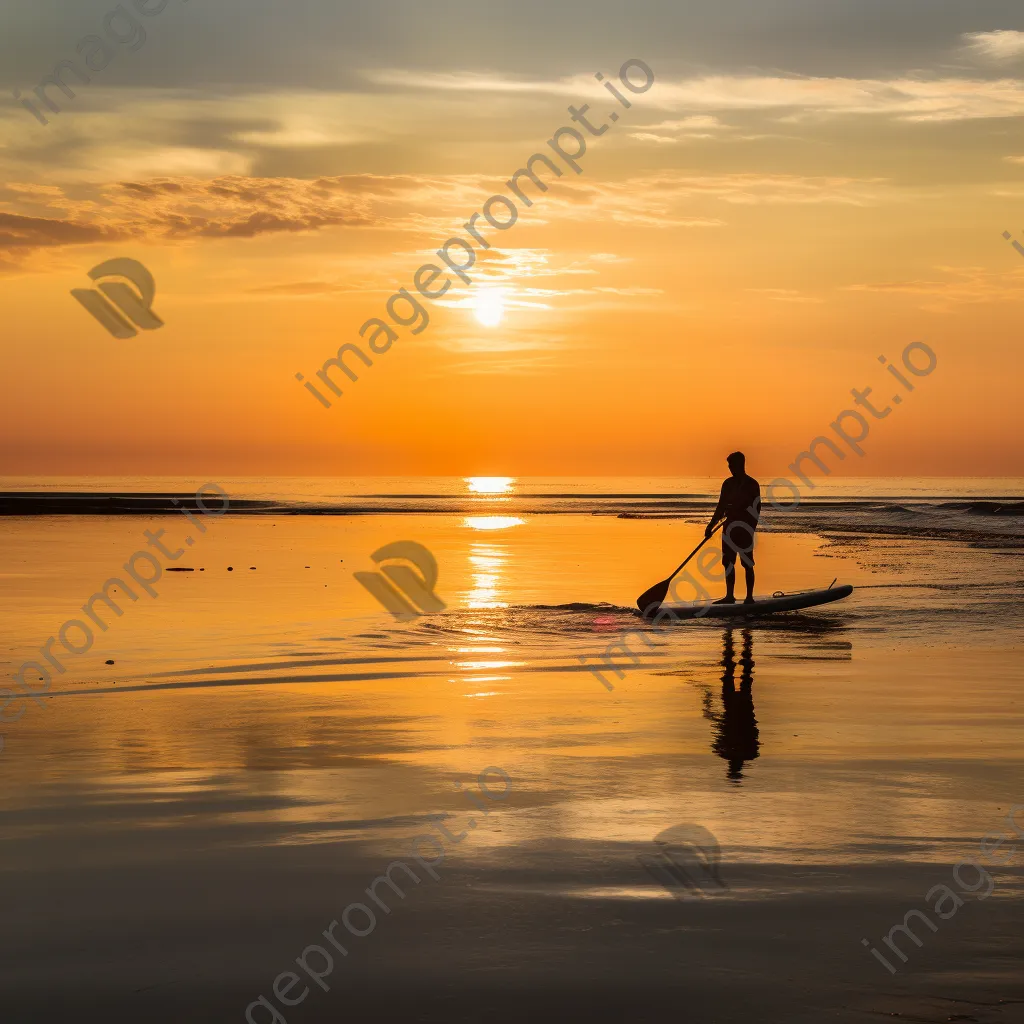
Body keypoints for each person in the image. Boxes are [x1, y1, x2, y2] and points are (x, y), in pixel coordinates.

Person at [705, 451, 761, 604]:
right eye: (729, 465)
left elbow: (756, 509)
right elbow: (721, 507)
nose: (729, 468)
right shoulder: (727, 484)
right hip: (729, 528)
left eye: (731, 465)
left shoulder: (752, 484)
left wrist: (750, 528)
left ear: (739, 465)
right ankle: (730, 596)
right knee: (728, 562)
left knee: (747, 563)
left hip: (745, 529)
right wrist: (710, 526)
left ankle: (749, 597)